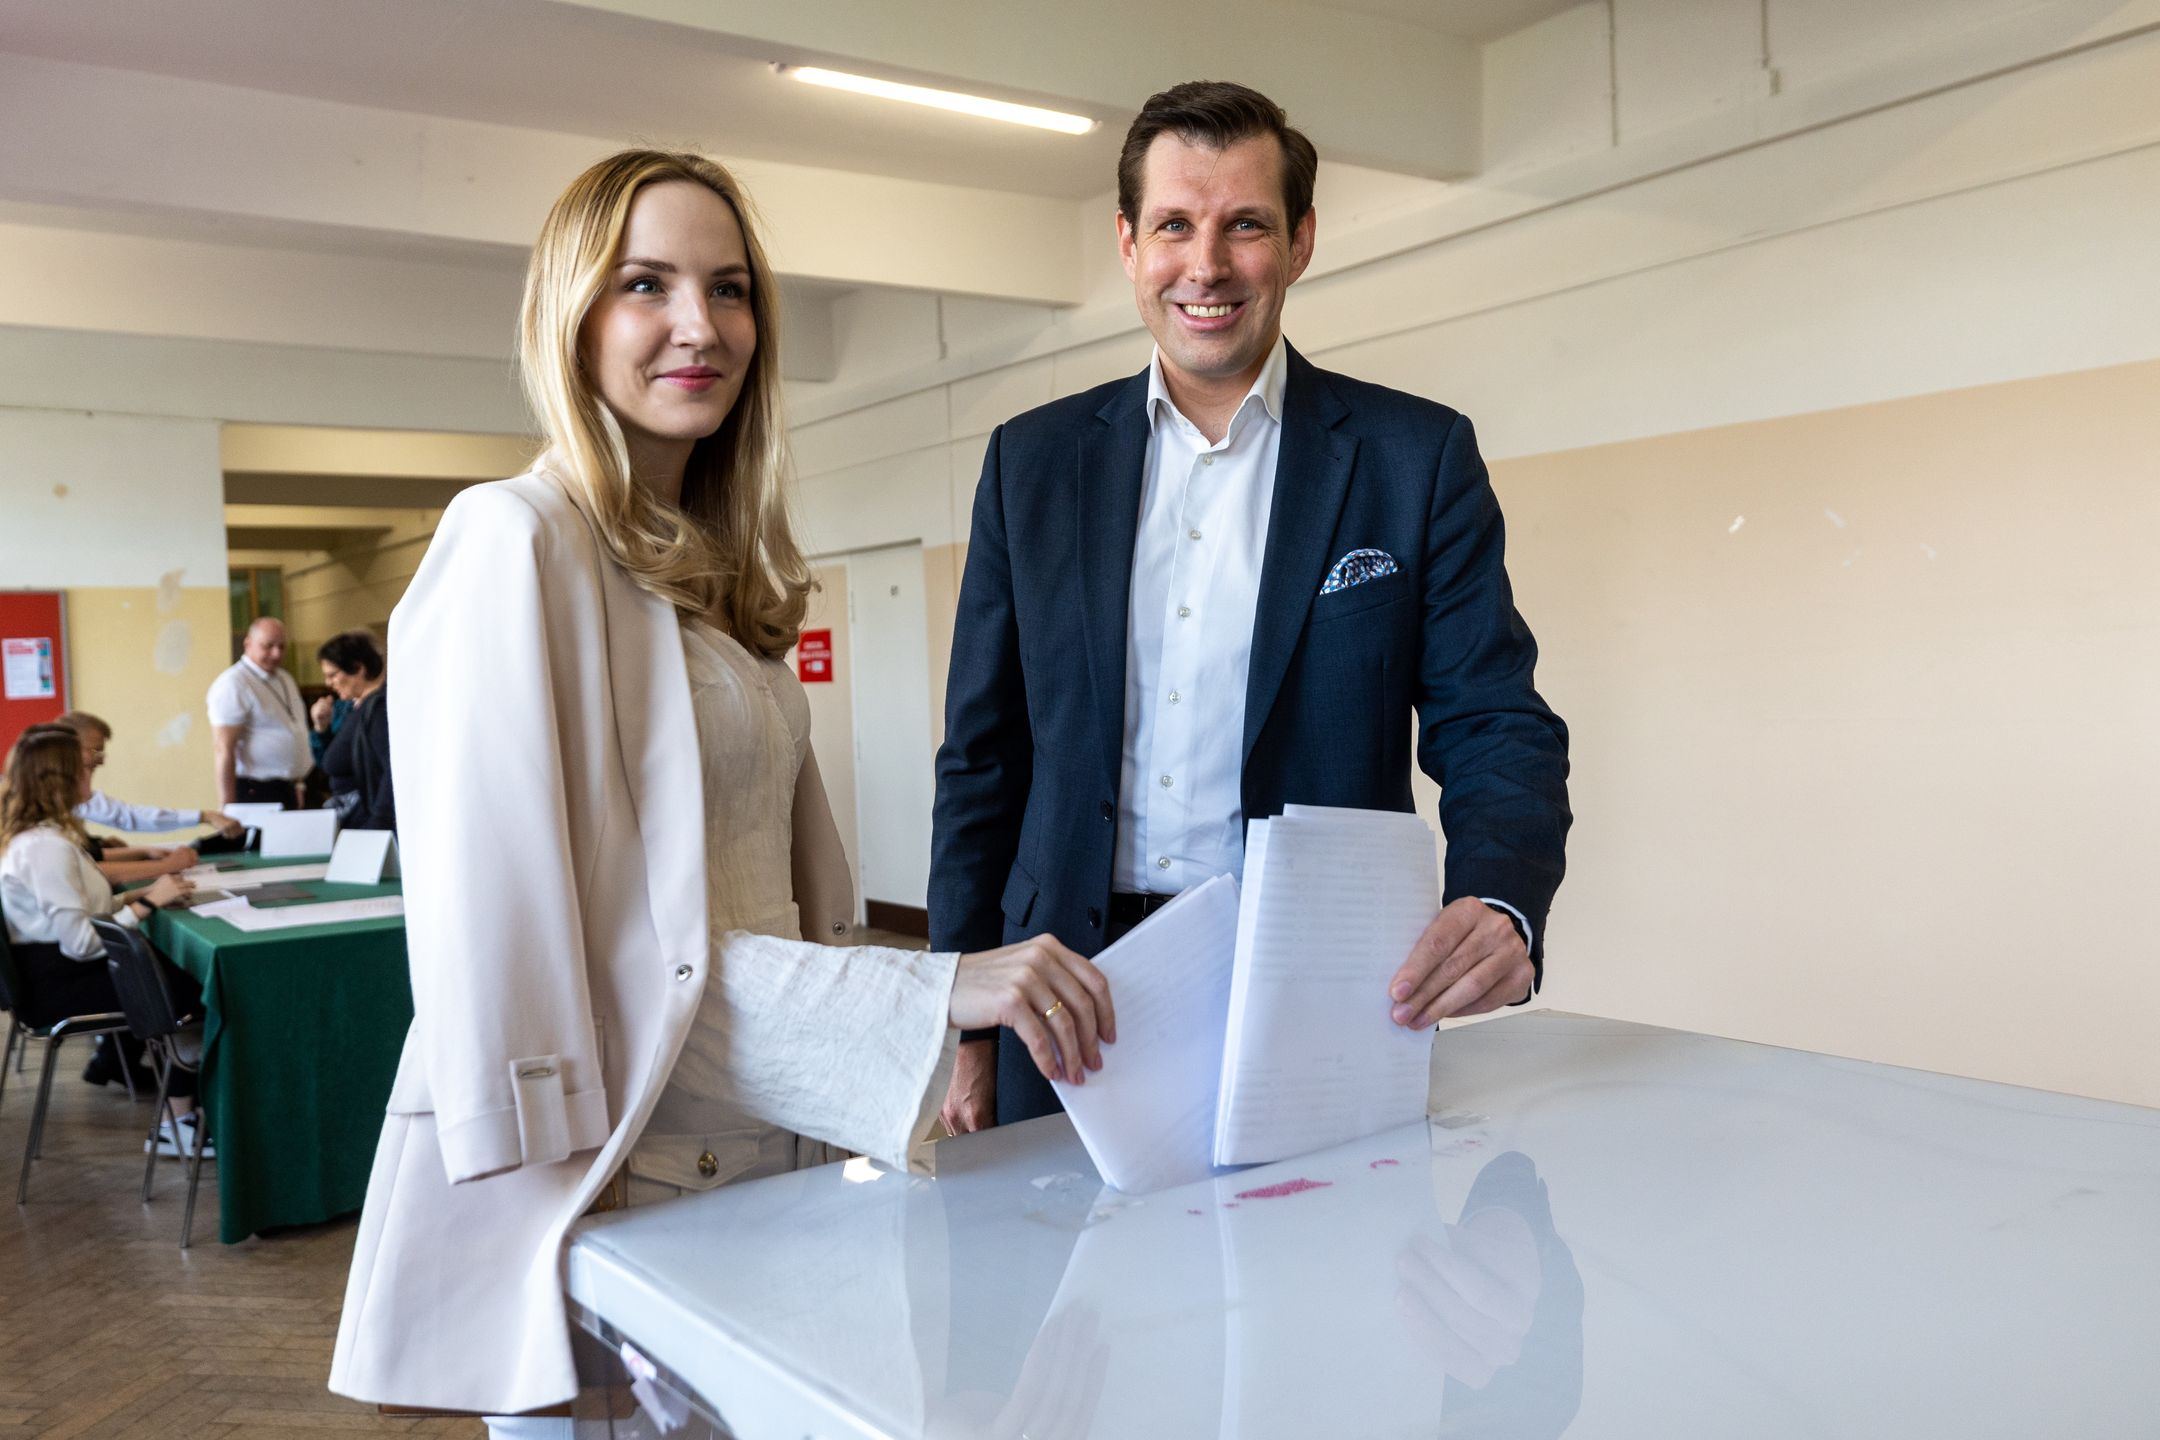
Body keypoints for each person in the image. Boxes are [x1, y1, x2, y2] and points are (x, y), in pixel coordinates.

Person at [328, 149, 1115, 1432]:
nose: (702, 326)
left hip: (772, 1149)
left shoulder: (715, 571)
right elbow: (566, 954)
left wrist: (922, 1039)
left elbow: (775, 896)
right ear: (571, 317)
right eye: (648, 285)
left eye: (731, 288)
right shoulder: (515, 540)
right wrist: (938, 987)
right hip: (620, 1180)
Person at [931, 81, 1572, 1130]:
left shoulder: (1413, 459)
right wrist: (960, 1028)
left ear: (1301, 241)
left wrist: (1502, 899)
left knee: (1319, 1286)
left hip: (1317, 992)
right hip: (1060, 996)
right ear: (1130, 244)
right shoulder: (1031, 466)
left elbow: (1494, 719)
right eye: (1176, 225)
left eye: (1246, 226)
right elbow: (981, 760)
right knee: (1054, 1289)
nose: (1208, 265)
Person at [0, 725, 207, 1149]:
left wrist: (142, 895)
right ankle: (176, 1123)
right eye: (85, 770)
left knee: (177, 979)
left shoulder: (45, 838)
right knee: (192, 997)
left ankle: (181, 1111)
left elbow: (86, 908)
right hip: (57, 985)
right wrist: (147, 905)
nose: (92, 779)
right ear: (62, 779)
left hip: (55, 971)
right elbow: (79, 942)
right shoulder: (45, 848)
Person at [57, 711, 245, 841]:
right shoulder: (50, 795)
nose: (101, 761)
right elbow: (127, 816)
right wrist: (205, 817)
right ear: (67, 747)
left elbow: (125, 815)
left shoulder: (70, 790)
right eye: (95, 751)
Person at [207, 617, 312, 811]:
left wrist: (298, 783)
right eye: (268, 646)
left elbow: (294, 732)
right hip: (255, 789)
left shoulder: (284, 678)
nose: (276, 653)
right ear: (248, 644)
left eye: (282, 646)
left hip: (288, 786)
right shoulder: (233, 683)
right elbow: (223, 748)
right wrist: (228, 807)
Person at [315, 631, 394, 832]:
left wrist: (377, 825)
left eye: (333, 675)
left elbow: (391, 770)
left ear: (358, 668)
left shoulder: (378, 708)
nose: (328, 683)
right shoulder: (361, 707)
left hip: (371, 827)